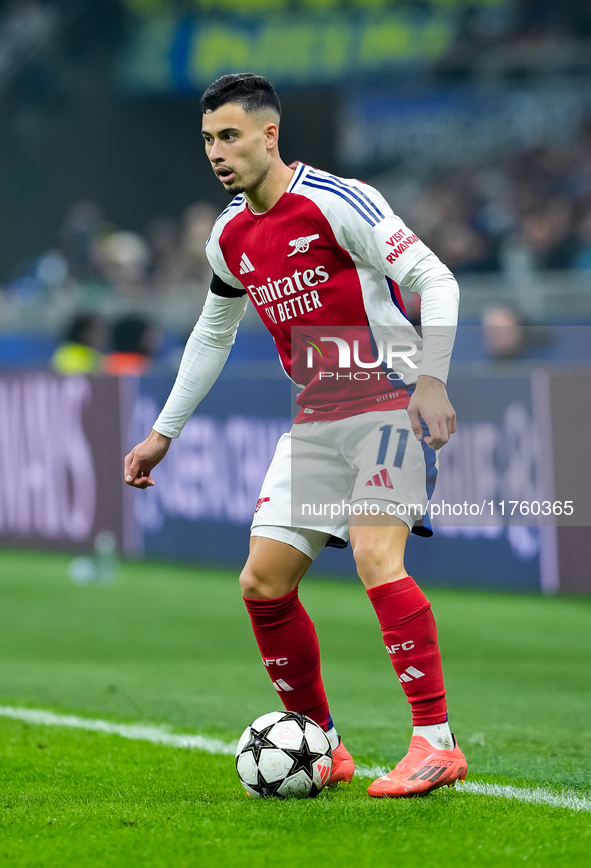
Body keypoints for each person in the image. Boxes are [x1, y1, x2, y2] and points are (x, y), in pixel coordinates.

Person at [124, 73, 466, 798]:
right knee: (261, 582)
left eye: (230, 136)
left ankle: (436, 742)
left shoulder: (339, 201)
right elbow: (212, 332)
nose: (217, 152)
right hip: (317, 418)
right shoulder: (228, 236)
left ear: (268, 134)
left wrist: (431, 379)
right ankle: (320, 742)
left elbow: (436, 281)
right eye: (209, 140)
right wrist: (163, 432)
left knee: (377, 556)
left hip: (388, 399)